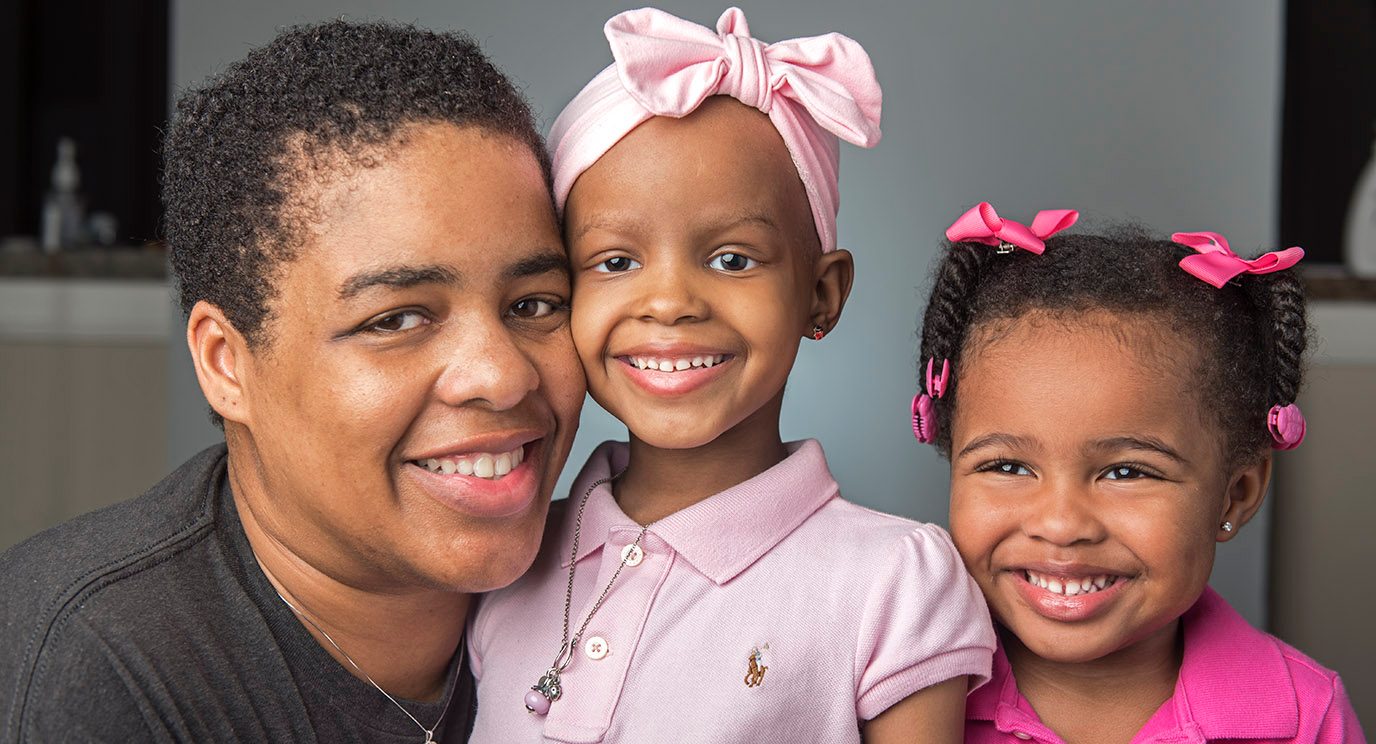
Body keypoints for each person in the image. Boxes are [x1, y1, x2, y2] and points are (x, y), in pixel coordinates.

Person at [0, 20, 585, 742]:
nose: (502, 376)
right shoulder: (98, 668)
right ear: (226, 363)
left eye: (534, 305)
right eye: (396, 320)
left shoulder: (618, 597)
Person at [468, 8, 994, 743]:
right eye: (616, 262)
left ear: (821, 295)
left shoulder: (891, 582)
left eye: (732, 259)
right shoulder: (506, 555)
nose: (672, 303)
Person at [910, 202, 1366, 742]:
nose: (1060, 524)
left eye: (1127, 473)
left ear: (1236, 495)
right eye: (1008, 465)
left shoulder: (1305, 716)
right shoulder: (901, 690)